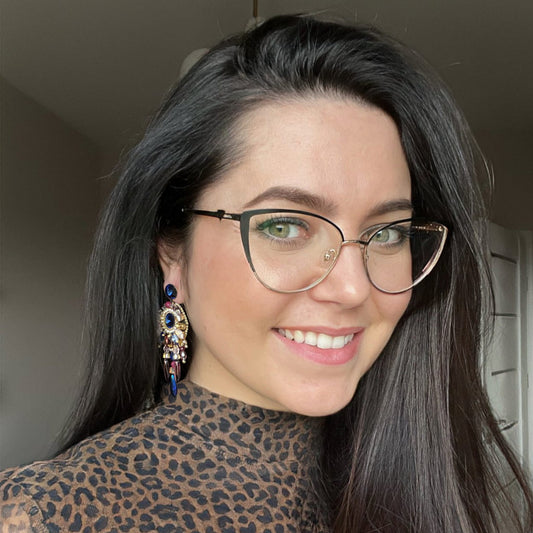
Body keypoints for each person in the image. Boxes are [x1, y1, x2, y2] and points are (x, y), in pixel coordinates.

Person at [1, 13, 532, 533]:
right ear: (172, 253)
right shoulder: (45, 514)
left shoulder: (459, 495)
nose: (353, 287)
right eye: (284, 226)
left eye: (389, 233)